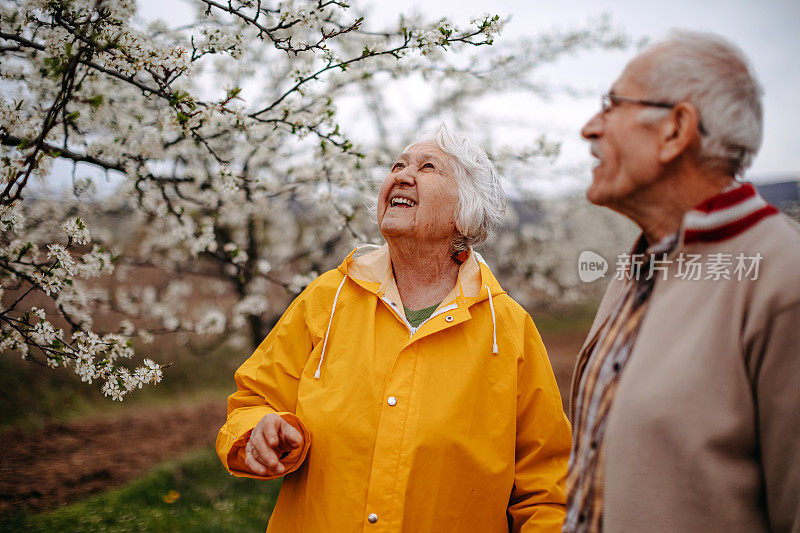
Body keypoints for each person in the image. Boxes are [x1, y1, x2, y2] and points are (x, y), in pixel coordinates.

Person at [216, 123, 572, 532]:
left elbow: (546, 489)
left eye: (428, 167)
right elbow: (251, 402)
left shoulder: (507, 329)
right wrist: (261, 432)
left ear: (466, 209)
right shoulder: (327, 299)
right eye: (397, 165)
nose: (402, 175)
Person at [564, 29, 800, 533]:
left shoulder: (783, 280)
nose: (589, 128)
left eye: (611, 106)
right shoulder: (636, 271)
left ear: (676, 129)